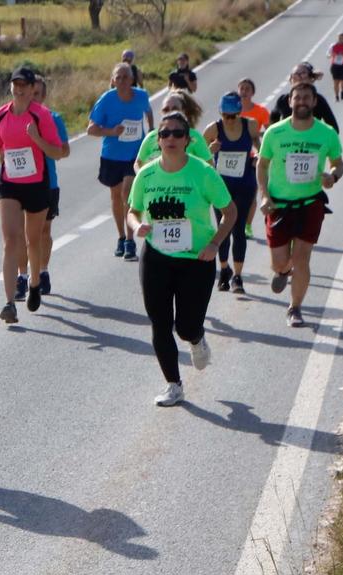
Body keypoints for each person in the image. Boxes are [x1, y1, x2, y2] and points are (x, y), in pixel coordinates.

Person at [130, 109, 236, 406]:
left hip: (196, 259)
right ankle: (174, 385)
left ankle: (197, 338)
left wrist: (215, 243)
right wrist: (137, 226)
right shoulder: (147, 174)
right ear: (158, 140)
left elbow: (230, 212)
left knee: (186, 326)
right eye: (165, 134)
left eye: (178, 133)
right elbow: (133, 210)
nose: (171, 138)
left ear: (188, 140)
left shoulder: (203, 172)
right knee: (159, 323)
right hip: (156, 257)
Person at [0, 64, 64, 322]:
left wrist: (37, 138)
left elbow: (57, 152)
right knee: (10, 240)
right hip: (9, 182)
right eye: (14, 85)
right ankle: (8, 303)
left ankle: (35, 283)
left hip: (37, 184)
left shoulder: (42, 116)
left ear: (31, 90)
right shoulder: (0, 115)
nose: (18, 89)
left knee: (33, 240)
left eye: (23, 86)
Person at [259, 81, 343, 328]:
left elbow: (338, 163)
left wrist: (333, 176)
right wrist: (264, 195)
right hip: (279, 205)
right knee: (279, 261)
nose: (302, 102)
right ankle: (282, 271)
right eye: (298, 98)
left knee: (302, 258)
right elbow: (262, 165)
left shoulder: (326, 133)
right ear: (290, 101)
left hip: (310, 204)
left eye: (307, 97)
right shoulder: (275, 133)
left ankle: (295, 307)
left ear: (314, 102)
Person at [89, 61, 153, 260]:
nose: (123, 81)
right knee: (116, 197)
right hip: (111, 155)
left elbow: (148, 110)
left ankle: (130, 241)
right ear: (113, 81)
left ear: (132, 79)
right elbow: (91, 129)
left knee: (127, 193)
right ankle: (121, 236)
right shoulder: (106, 100)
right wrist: (111, 131)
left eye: (126, 77)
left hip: (135, 155)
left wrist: (150, 130)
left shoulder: (141, 96)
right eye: (119, 77)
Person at [14, 76, 68, 301]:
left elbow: (64, 150)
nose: (31, 98)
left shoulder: (52, 118)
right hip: (19, 184)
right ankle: (22, 276)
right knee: (20, 234)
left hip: (47, 184)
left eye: (36, 94)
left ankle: (42, 271)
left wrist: (38, 139)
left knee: (42, 233)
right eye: (28, 93)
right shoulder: (14, 117)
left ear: (42, 96)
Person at [205, 90, 259, 294]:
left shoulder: (250, 125)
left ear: (239, 112)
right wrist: (210, 149)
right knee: (223, 230)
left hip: (244, 183)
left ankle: (238, 276)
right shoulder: (213, 128)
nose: (229, 119)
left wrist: (257, 156)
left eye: (233, 115)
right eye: (225, 115)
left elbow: (259, 147)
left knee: (239, 230)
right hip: (221, 186)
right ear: (220, 113)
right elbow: (197, 154)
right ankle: (224, 269)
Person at [139, 92, 213, 166]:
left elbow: (209, 165)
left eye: (175, 109)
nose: (170, 113)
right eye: (166, 110)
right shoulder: (151, 137)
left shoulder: (195, 137)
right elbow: (138, 163)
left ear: (184, 111)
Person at [269, 62, 339, 132]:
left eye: (303, 74)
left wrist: (318, 138)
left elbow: (334, 129)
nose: (299, 77)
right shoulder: (283, 100)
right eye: (295, 74)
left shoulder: (319, 100)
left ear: (311, 79)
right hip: (288, 141)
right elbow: (273, 120)